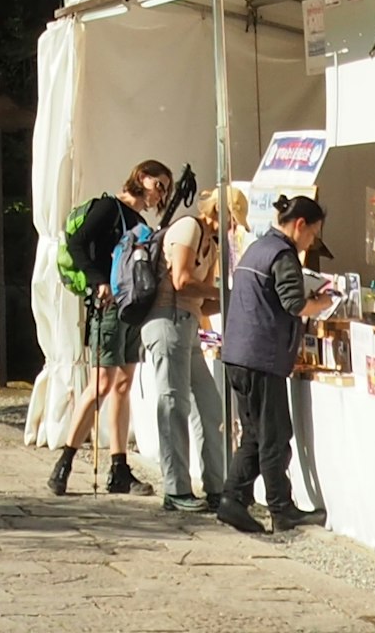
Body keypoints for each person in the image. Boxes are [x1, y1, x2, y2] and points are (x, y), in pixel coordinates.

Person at [49, 157, 168, 497]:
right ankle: (65, 462)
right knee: (100, 384)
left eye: (165, 189)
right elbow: (75, 244)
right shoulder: (107, 207)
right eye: (158, 185)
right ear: (141, 177)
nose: (160, 194)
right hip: (106, 306)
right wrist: (98, 281)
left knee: (122, 386)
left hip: (130, 308)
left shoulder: (138, 221)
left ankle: (119, 468)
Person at [221, 194, 325, 533]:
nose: (312, 241)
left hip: (239, 353)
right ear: (300, 225)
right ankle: (281, 509)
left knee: (254, 433)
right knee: (274, 436)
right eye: (313, 233)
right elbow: (294, 303)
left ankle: (233, 499)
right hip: (261, 356)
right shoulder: (282, 254)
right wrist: (321, 302)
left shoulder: (257, 247)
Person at [142, 170, 223, 513]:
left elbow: (206, 299)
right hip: (167, 319)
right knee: (174, 404)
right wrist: (223, 292)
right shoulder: (190, 228)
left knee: (210, 405)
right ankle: (176, 488)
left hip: (187, 322)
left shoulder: (212, 242)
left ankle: (216, 485)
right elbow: (182, 280)